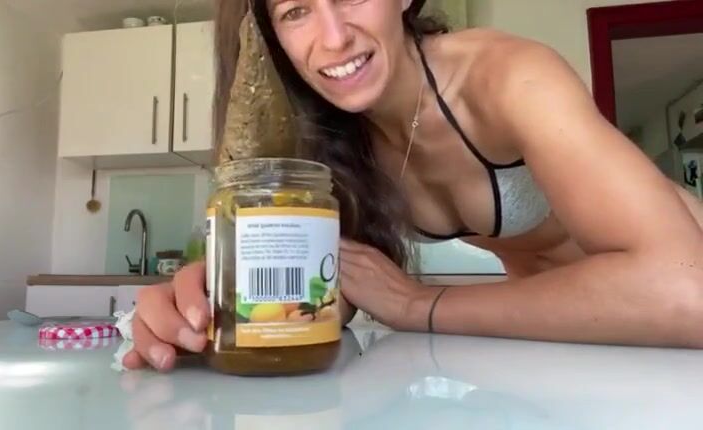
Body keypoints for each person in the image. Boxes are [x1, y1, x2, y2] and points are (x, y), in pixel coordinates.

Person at [122, 0, 703, 371]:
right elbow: (331, 293)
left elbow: (685, 291)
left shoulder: (506, 77)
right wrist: (211, 310)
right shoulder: (333, 139)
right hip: (576, 333)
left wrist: (418, 304)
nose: (333, 37)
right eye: (296, 11)